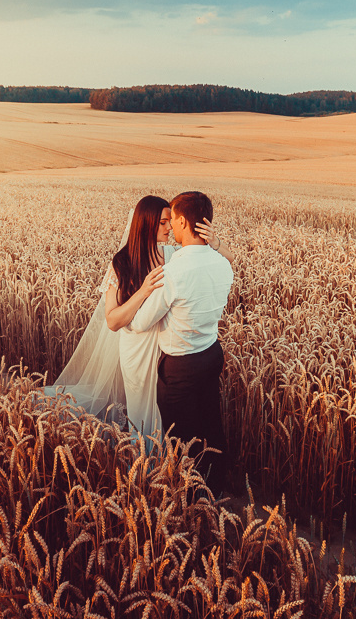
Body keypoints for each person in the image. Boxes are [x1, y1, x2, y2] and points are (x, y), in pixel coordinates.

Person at [128, 191, 234, 496]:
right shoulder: (223, 265)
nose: (170, 227)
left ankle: (188, 498)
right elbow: (226, 260)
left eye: (172, 220)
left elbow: (140, 322)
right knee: (211, 423)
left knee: (180, 436)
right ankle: (216, 485)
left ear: (184, 221)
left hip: (181, 366)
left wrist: (135, 300)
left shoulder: (173, 271)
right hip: (212, 354)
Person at [47, 195, 172, 439]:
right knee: (141, 414)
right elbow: (113, 321)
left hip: (167, 348)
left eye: (170, 222)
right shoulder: (121, 263)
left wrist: (213, 240)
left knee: (167, 413)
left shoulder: (172, 255)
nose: (170, 228)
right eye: (163, 223)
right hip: (136, 349)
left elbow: (222, 259)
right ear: (146, 224)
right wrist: (143, 291)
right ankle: (144, 461)